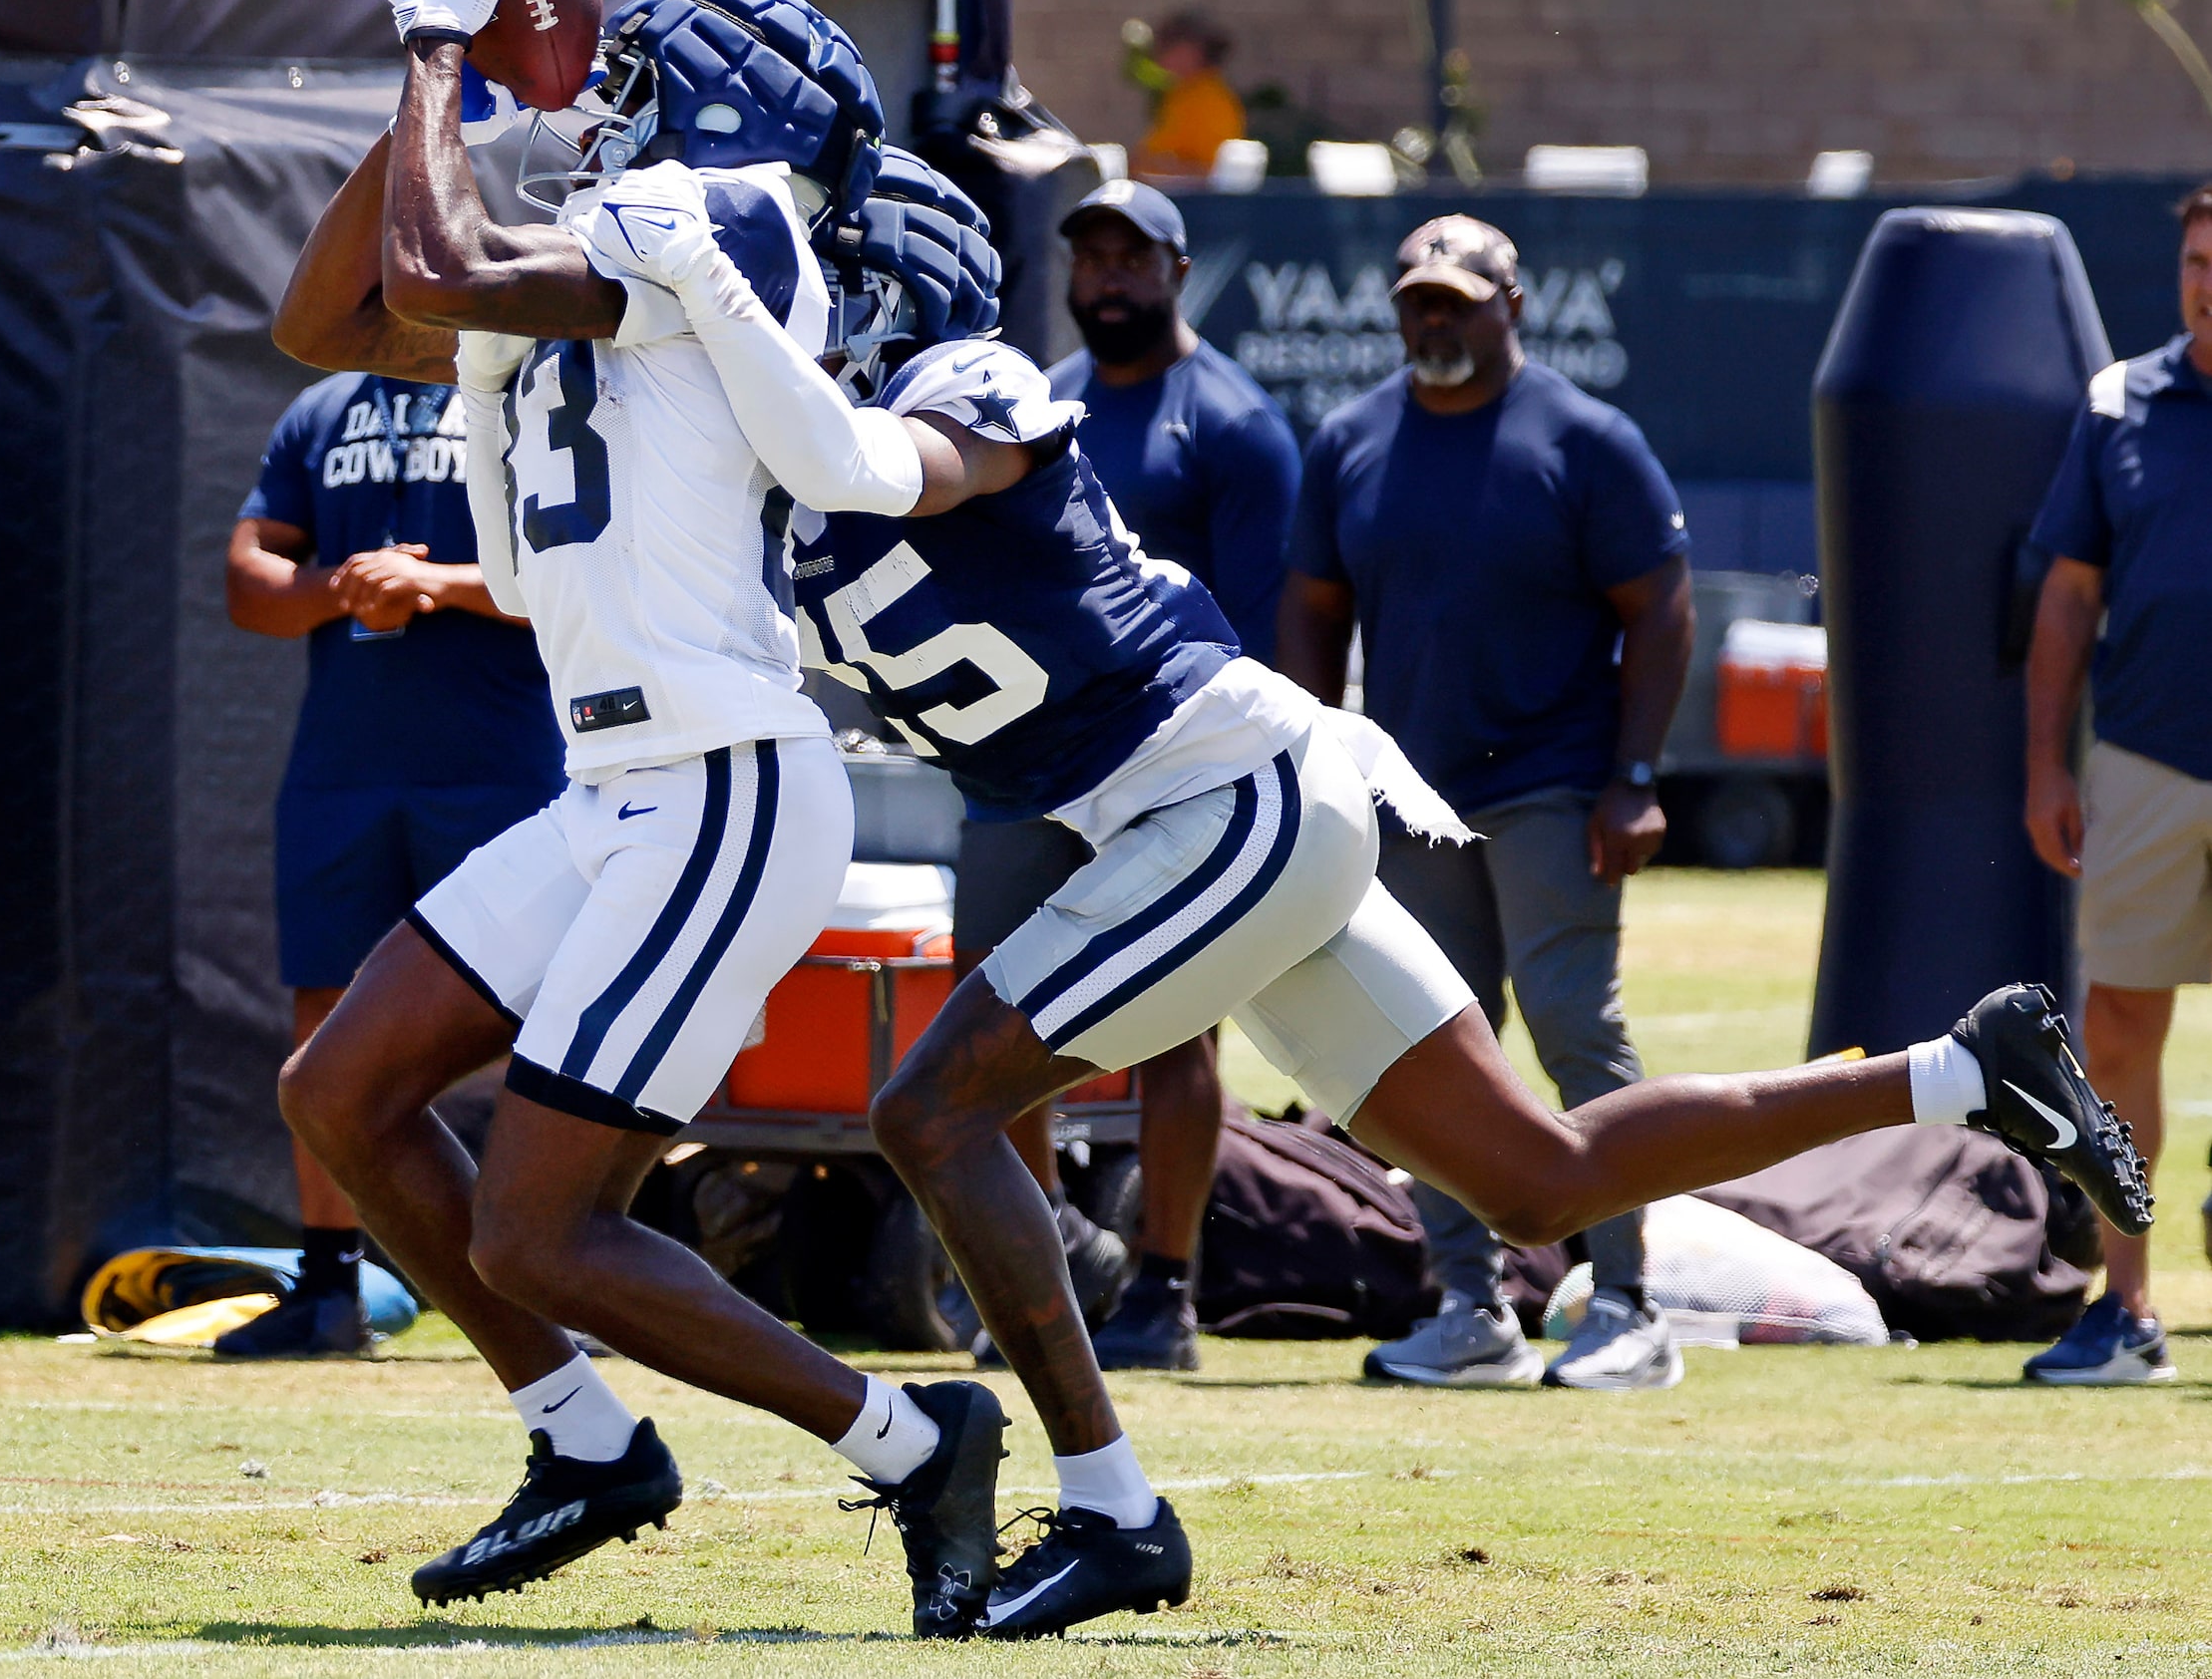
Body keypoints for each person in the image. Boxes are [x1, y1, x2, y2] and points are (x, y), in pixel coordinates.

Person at [640, 150, 2151, 1639]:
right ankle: (1966, 1069)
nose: (796, 309)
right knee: (1537, 1178)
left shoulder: (960, 387)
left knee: (930, 1109)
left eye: (815, 283)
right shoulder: (799, 475)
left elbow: (860, 466)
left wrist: (705, 287)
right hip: (1204, 818)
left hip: (1223, 795)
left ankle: (1109, 1505)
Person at [270, 0, 1003, 1638]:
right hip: (614, 787)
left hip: (724, 783)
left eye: (651, 67)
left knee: (538, 1227)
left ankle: (916, 1438)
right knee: (338, 1092)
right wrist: (444, 91)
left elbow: (439, 271)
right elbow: (330, 321)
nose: (615, 84)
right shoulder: (594, 250)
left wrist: (445, 50)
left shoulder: (724, 219)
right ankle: (582, 1438)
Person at [1278, 215, 1695, 1394]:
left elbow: (1658, 610)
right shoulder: (1352, 439)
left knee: (1572, 1033)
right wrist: (1316, 766)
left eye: (1457, 299)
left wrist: (1633, 777)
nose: (1434, 317)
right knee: (1422, 1056)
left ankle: (1623, 1304)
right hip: (1409, 804)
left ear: (1512, 304)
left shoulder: (1586, 440)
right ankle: (1472, 1307)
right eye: (1418, 298)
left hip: (1553, 790)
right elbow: (1311, 610)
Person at [965, 179, 1298, 1371]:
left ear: (1175, 268)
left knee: (1175, 1030)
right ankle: (1038, 1281)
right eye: (1088, 256)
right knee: (996, 1028)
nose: (1106, 277)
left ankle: (1165, 1290)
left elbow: (1263, 624)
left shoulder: (1232, 422)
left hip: (1164, 763)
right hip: (1020, 763)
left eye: (1130, 257)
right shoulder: (1033, 401)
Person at [223, 368, 563, 1358]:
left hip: (502, 764)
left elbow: (581, 572)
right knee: (325, 1008)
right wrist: (344, 584)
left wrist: (439, 584)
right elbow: (249, 583)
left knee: (548, 1011)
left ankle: (559, 1262)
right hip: (344, 768)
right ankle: (328, 1287)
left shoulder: (526, 389)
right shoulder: (320, 410)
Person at [2020, 180, 2212, 1387]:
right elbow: (2068, 593)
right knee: (2117, 1026)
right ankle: (2124, 1309)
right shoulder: (2118, 400)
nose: (2204, 281)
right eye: (2195, 260)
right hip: (2141, 756)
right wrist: (2046, 760)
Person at [1132, 10, 1245, 182]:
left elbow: (1211, 173)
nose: (1158, 56)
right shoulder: (1179, 94)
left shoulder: (1212, 101)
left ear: (1192, 50)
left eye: (1167, 47)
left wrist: (1157, 172)